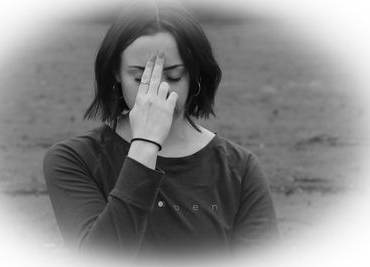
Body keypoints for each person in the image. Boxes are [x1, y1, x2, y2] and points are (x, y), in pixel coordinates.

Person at [43, 0, 279, 258]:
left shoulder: (240, 168)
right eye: (140, 77)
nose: (159, 90)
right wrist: (145, 144)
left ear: (195, 74)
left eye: (174, 75)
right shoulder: (74, 160)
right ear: (116, 73)